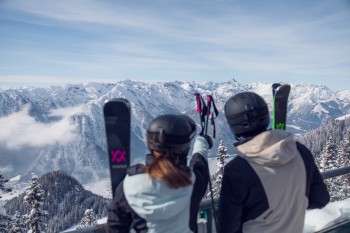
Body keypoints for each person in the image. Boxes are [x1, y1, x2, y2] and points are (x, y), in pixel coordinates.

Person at [218, 92, 330, 233]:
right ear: (266, 116)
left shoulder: (237, 170)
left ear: (233, 126)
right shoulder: (300, 152)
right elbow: (321, 198)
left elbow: (227, 228)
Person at [107, 114, 212, 233]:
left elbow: (115, 227)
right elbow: (199, 162)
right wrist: (201, 142)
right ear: (184, 148)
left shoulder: (129, 185)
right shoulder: (193, 181)